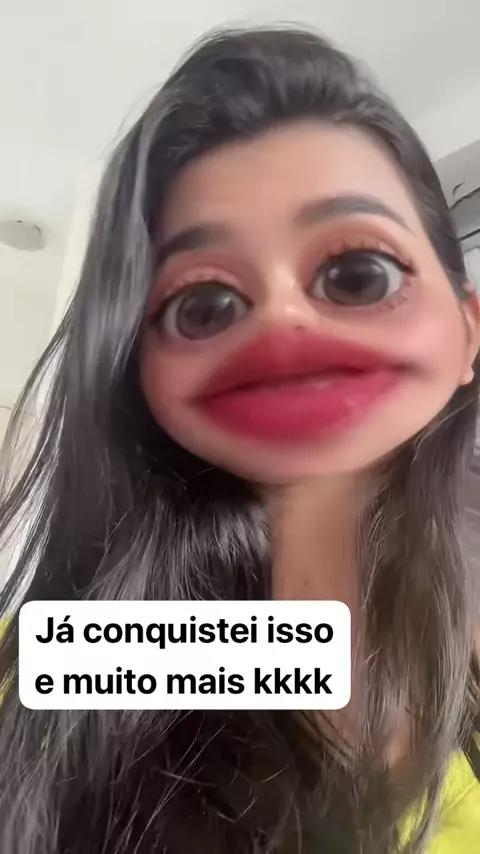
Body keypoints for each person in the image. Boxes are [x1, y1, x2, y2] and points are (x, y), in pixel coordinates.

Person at [0, 25, 479, 854]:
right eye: (204, 305)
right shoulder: (50, 681)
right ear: (141, 371)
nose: (282, 320)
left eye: (358, 274)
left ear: (468, 330)